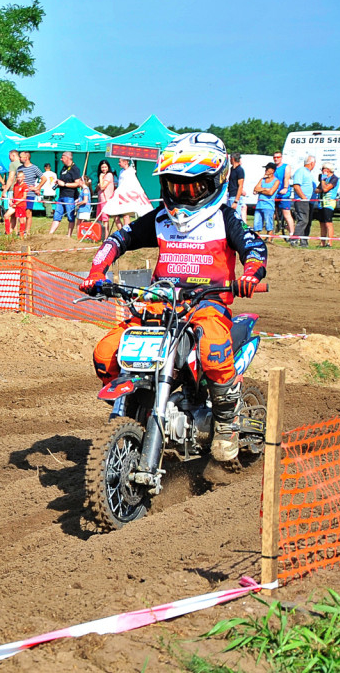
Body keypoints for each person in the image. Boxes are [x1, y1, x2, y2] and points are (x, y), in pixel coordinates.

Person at [79, 132, 267, 463]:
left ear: (215, 181)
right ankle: (140, 409)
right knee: (105, 353)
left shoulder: (225, 219)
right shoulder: (161, 220)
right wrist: (97, 272)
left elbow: (254, 247)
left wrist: (251, 273)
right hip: (160, 304)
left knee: (211, 349)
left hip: (207, 305)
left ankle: (226, 421)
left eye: (193, 187)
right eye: (175, 185)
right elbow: (118, 240)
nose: (183, 194)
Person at [49, 151, 81, 236]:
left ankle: (69, 235)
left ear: (67, 158)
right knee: (57, 215)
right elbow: (62, 181)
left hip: (70, 196)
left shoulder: (75, 169)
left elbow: (78, 183)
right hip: (61, 196)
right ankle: (50, 234)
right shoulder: (63, 168)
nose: (61, 159)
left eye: (62, 157)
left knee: (70, 217)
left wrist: (65, 184)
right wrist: (58, 183)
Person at [14, 151, 41, 237]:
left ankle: (27, 231)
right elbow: (16, 181)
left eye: (20, 157)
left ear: (26, 158)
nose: (19, 158)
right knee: (20, 213)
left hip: (29, 194)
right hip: (20, 195)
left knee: (28, 212)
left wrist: (37, 188)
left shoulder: (34, 168)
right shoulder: (19, 168)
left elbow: (43, 178)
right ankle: (21, 230)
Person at [290, 155, 316, 247]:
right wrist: (303, 197)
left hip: (309, 201)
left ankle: (304, 242)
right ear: (312, 163)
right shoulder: (301, 171)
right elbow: (296, 186)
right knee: (303, 220)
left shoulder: (309, 173)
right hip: (301, 200)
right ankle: (294, 239)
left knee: (308, 221)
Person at [313, 162, 338, 247]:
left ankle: (329, 242)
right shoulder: (323, 179)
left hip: (329, 203)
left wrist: (323, 182)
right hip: (321, 203)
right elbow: (317, 189)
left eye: (323, 169)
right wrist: (322, 186)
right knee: (322, 223)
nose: (322, 171)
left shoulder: (334, 179)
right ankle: (322, 242)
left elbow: (326, 189)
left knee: (328, 223)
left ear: (327, 170)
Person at [252, 163, 280, 236]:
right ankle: (257, 239)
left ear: (272, 170)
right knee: (256, 224)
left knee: (269, 224)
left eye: (267, 169)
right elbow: (255, 189)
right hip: (259, 205)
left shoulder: (276, 181)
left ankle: (269, 239)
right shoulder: (262, 179)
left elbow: (271, 192)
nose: (266, 170)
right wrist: (265, 189)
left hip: (269, 206)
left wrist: (260, 190)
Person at [272, 151, 294, 240]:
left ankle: (292, 234)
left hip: (284, 195)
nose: (276, 159)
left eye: (278, 157)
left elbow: (286, 178)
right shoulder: (272, 168)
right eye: (275, 157)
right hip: (274, 194)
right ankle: (271, 233)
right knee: (271, 214)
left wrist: (285, 188)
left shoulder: (286, 167)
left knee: (286, 214)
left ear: (281, 158)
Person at [95, 160, 115, 232]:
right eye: (102, 167)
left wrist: (101, 178)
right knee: (99, 218)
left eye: (105, 167)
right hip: (100, 199)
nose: (104, 169)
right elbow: (97, 188)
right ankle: (100, 235)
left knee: (105, 219)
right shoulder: (103, 176)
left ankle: (106, 237)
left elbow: (102, 187)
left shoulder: (109, 175)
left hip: (106, 199)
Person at [227, 153, 245, 222]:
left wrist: (236, 201)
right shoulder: (231, 169)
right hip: (230, 195)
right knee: (230, 217)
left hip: (235, 197)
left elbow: (240, 186)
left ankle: (244, 229)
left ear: (233, 159)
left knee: (237, 217)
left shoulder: (239, 170)